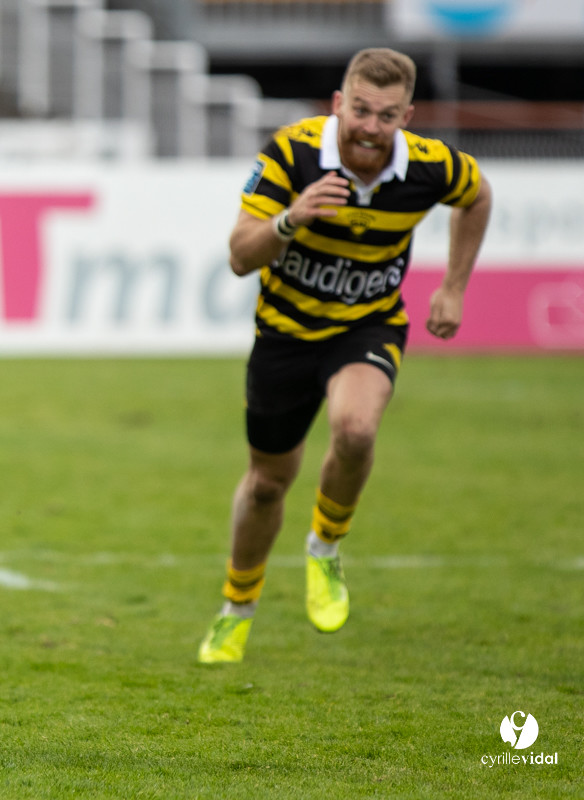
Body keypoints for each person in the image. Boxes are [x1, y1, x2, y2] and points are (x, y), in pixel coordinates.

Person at [196, 47, 491, 664]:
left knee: (355, 429)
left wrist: (454, 286)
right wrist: (291, 219)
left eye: (386, 116)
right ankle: (237, 605)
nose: (370, 127)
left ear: (406, 117)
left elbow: (478, 195)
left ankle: (325, 547)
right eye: (360, 110)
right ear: (338, 105)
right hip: (284, 336)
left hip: (368, 327)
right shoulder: (292, 153)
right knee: (268, 484)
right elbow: (239, 255)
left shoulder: (430, 166)